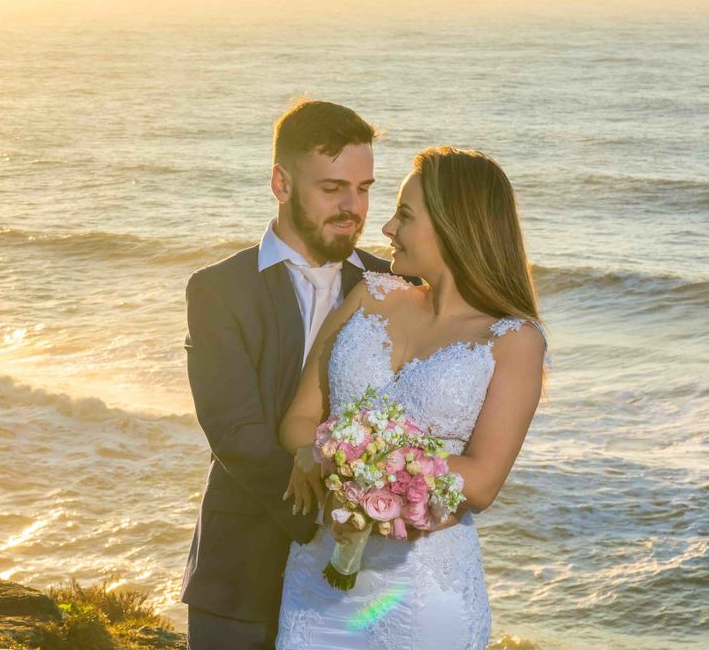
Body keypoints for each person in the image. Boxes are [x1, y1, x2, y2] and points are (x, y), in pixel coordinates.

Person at [275, 146, 548, 649]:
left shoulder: (514, 340)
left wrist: (364, 454)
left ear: (453, 225)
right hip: (318, 580)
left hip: (423, 592)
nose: (386, 229)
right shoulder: (369, 296)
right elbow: (300, 417)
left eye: (404, 214)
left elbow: (483, 482)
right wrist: (309, 450)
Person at [181, 100, 414, 650]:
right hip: (241, 568)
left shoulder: (395, 286)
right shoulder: (219, 290)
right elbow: (235, 433)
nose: (353, 207)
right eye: (333, 188)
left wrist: (375, 517)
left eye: (364, 188)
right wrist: (330, 517)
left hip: (365, 578)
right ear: (281, 183)